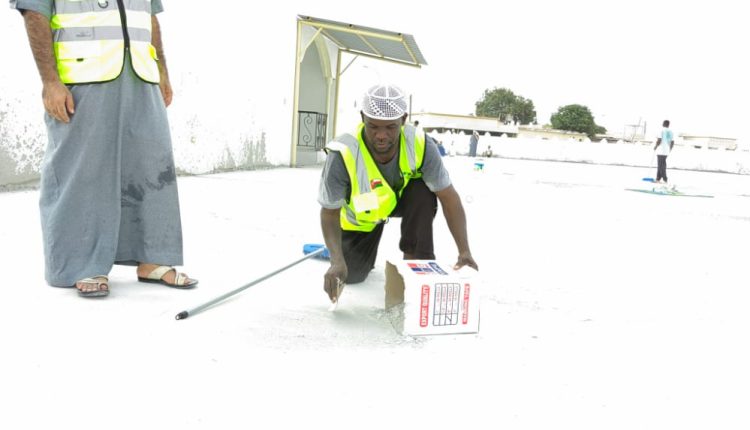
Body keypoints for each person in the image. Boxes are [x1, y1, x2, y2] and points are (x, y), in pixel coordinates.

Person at [12, 0, 197, 297]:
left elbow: (149, 16)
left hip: (141, 74)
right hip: (82, 76)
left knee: (151, 166)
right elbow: (34, 12)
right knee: (83, 172)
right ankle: (80, 264)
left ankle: (152, 258)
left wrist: (162, 68)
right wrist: (50, 81)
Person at [317, 84, 478, 303]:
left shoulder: (421, 143)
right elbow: (329, 212)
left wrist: (464, 252)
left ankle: (416, 261)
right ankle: (352, 254)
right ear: (363, 117)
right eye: (373, 126)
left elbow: (449, 197)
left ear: (403, 119)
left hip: (401, 201)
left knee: (423, 191)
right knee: (351, 275)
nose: (381, 136)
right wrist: (337, 260)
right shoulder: (343, 152)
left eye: (390, 127)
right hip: (363, 217)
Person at [653, 120, 674, 184]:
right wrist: (670, 149)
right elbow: (672, 142)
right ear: (668, 125)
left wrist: (656, 146)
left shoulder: (661, 130)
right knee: (662, 164)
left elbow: (659, 140)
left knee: (661, 165)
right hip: (666, 151)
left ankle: (665, 179)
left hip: (661, 150)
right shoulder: (671, 131)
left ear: (663, 124)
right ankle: (658, 179)